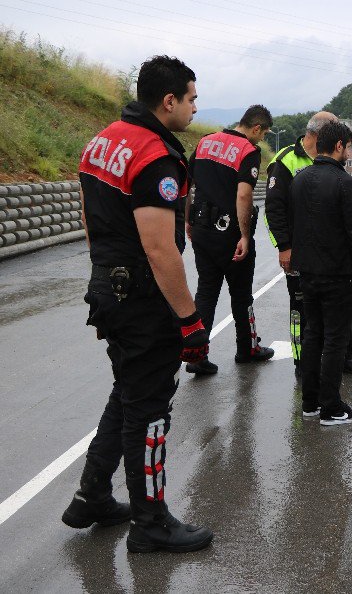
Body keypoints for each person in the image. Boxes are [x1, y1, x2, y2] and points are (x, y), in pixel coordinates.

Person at [63, 55, 213, 553]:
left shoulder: (103, 140)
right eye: (191, 99)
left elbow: (89, 218)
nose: (195, 107)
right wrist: (189, 320)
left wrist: (105, 272)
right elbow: (159, 247)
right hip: (143, 300)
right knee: (149, 410)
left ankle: (93, 495)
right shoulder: (154, 157)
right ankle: (150, 523)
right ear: (167, 101)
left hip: (109, 285)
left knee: (127, 392)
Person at [264, 111, 352, 379]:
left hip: (332, 255)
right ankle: (303, 362)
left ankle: (345, 357)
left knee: (340, 309)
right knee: (301, 312)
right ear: (319, 133)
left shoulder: (330, 160)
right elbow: (274, 209)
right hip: (300, 254)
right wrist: (284, 247)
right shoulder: (286, 160)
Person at [290, 121, 352, 425]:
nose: (349, 151)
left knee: (313, 335)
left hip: (307, 273)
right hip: (338, 276)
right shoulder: (345, 184)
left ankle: (311, 403)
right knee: (335, 340)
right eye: (349, 146)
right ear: (339, 146)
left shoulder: (299, 180)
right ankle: (332, 408)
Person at [185, 105, 275, 374]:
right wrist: (245, 235)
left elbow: (187, 184)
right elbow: (244, 195)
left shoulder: (204, 142)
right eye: (264, 133)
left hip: (201, 229)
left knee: (207, 291)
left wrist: (188, 221)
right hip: (229, 234)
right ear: (256, 128)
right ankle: (246, 349)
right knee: (241, 294)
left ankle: (197, 355)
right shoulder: (248, 151)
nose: (262, 139)